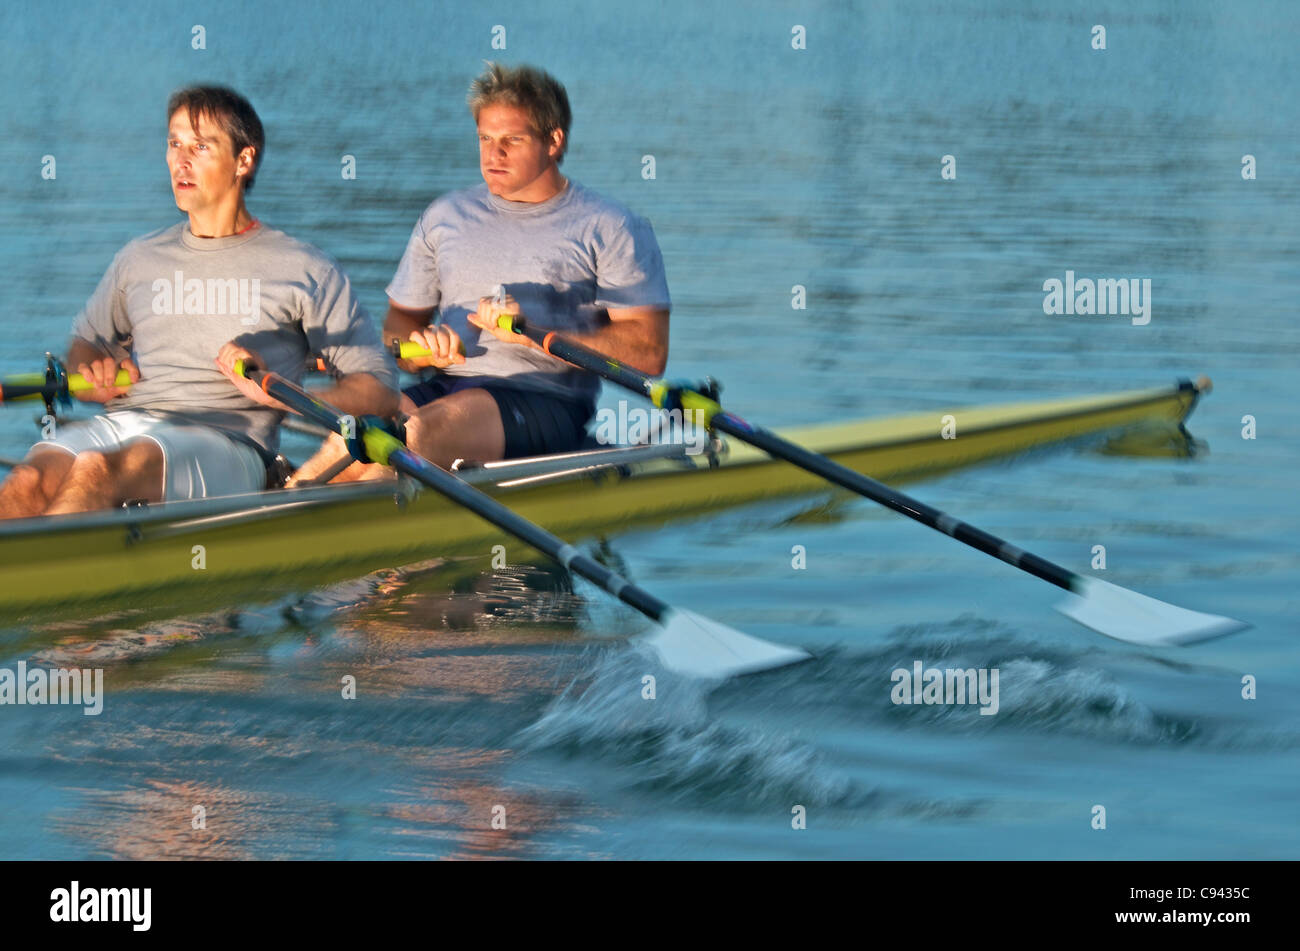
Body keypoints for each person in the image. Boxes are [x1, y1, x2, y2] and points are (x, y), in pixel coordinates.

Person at [0, 86, 397, 519]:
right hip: (124, 422)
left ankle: (51, 577)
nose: (181, 161)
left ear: (243, 161)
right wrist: (90, 371)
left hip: (228, 444)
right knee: (27, 481)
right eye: (174, 144)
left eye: (201, 146)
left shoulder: (305, 269)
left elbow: (379, 390)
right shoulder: (138, 257)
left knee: (98, 470)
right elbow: (86, 344)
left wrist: (279, 396)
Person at [289, 61, 670, 481]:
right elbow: (397, 326)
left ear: (554, 141)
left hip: (544, 402)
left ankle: (351, 528)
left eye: (512, 140)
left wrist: (539, 336)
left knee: (413, 436)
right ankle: (288, 505)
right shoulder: (445, 216)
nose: (493, 155)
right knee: (356, 435)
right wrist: (419, 349)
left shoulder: (611, 226)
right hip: (447, 387)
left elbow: (649, 353)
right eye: (485, 139)